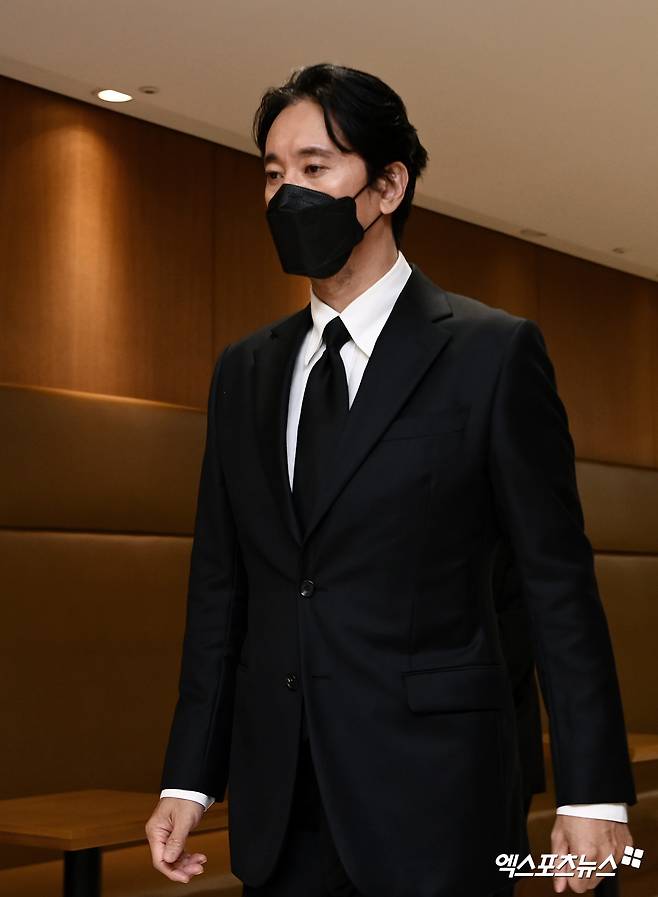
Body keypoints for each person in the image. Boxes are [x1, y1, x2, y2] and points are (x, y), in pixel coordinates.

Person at [145, 63, 636, 897]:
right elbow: (221, 589)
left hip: (438, 796)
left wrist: (592, 791)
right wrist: (189, 778)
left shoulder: (492, 353)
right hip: (280, 807)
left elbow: (556, 584)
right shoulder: (244, 372)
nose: (286, 193)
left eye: (314, 167)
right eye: (273, 172)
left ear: (387, 185)